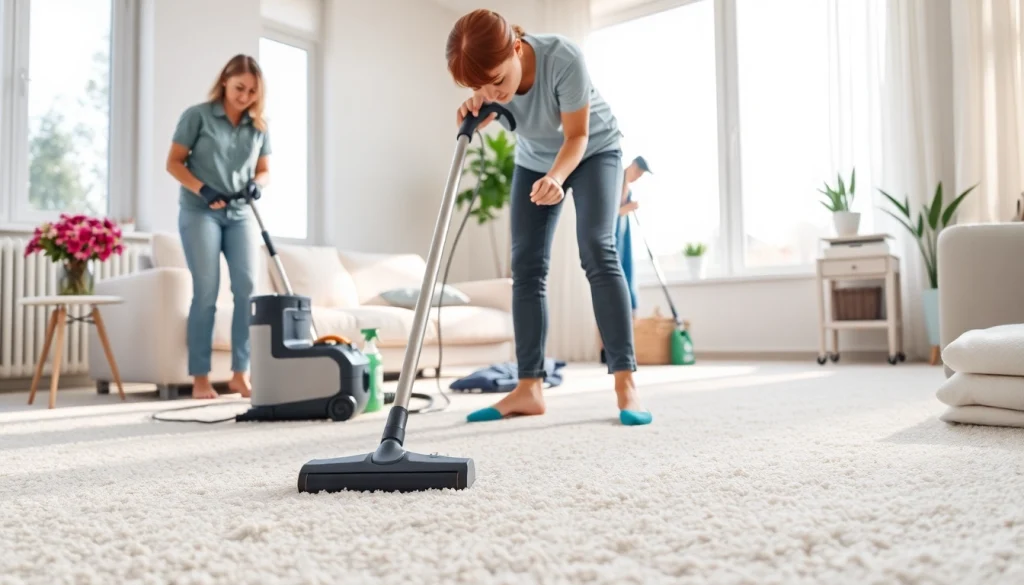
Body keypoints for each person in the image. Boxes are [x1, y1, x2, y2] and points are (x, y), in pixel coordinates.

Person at [446, 9, 652, 425]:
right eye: (478, 86)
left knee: (597, 248)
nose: (492, 92)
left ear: (516, 48)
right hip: (534, 160)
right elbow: (494, 104)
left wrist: (557, 177)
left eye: (497, 81)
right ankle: (529, 388)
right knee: (525, 265)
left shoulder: (563, 58)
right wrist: (477, 109)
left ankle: (625, 383)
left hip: (594, 150)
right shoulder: (489, 85)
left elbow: (577, 136)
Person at [165, 54, 271, 399]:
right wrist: (203, 189)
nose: (245, 96)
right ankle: (200, 378)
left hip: (240, 214)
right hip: (200, 212)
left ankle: (240, 374)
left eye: (252, 91)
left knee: (247, 289)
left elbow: (264, 170)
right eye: (240, 88)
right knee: (207, 291)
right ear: (225, 81)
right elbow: (174, 163)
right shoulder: (197, 116)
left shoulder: (259, 126)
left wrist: (257, 184)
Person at [615, 155, 653, 316]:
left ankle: (630, 314)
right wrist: (627, 208)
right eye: (638, 173)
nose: (637, 177)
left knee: (627, 275)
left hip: (623, 241)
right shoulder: (615, 180)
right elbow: (608, 214)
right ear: (633, 166)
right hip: (613, 242)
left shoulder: (627, 189)